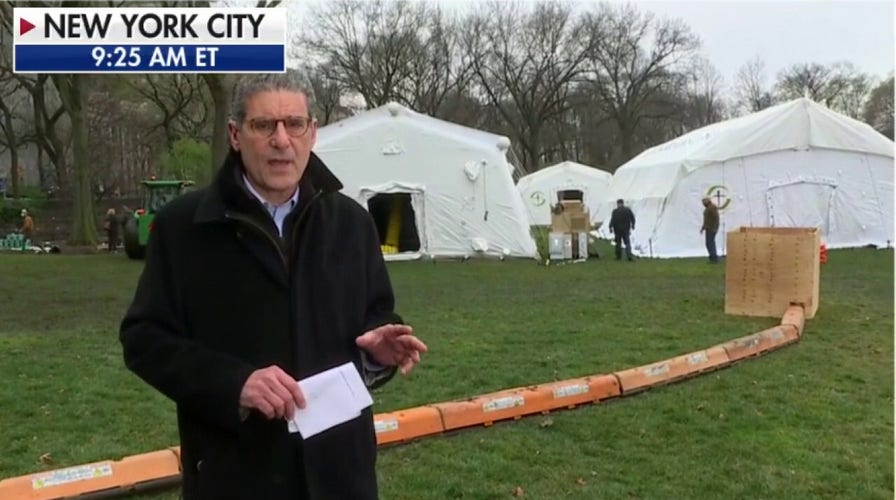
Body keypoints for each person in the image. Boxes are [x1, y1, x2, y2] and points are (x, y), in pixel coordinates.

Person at [119, 70, 427, 500]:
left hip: (341, 476)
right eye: (264, 125)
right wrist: (234, 384)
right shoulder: (184, 228)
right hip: (236, 476)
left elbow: (376, 315)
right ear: (235, 134)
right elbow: (144, 340)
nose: (281, 140)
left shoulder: (352, 224)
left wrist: (379, 349)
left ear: (312, 132)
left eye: (294, 124)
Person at [700, 196, 720, 263]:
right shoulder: (709, 208)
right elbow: (706, 220)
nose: (703, 204)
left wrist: (715, 228)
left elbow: (716, 218)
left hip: (711, 228)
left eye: (704, 202)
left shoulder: (712, 208)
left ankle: (714, 257)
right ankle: (712, 257)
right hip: (708, 228)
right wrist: (703, 228)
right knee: (709, 243)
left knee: (710, 243)